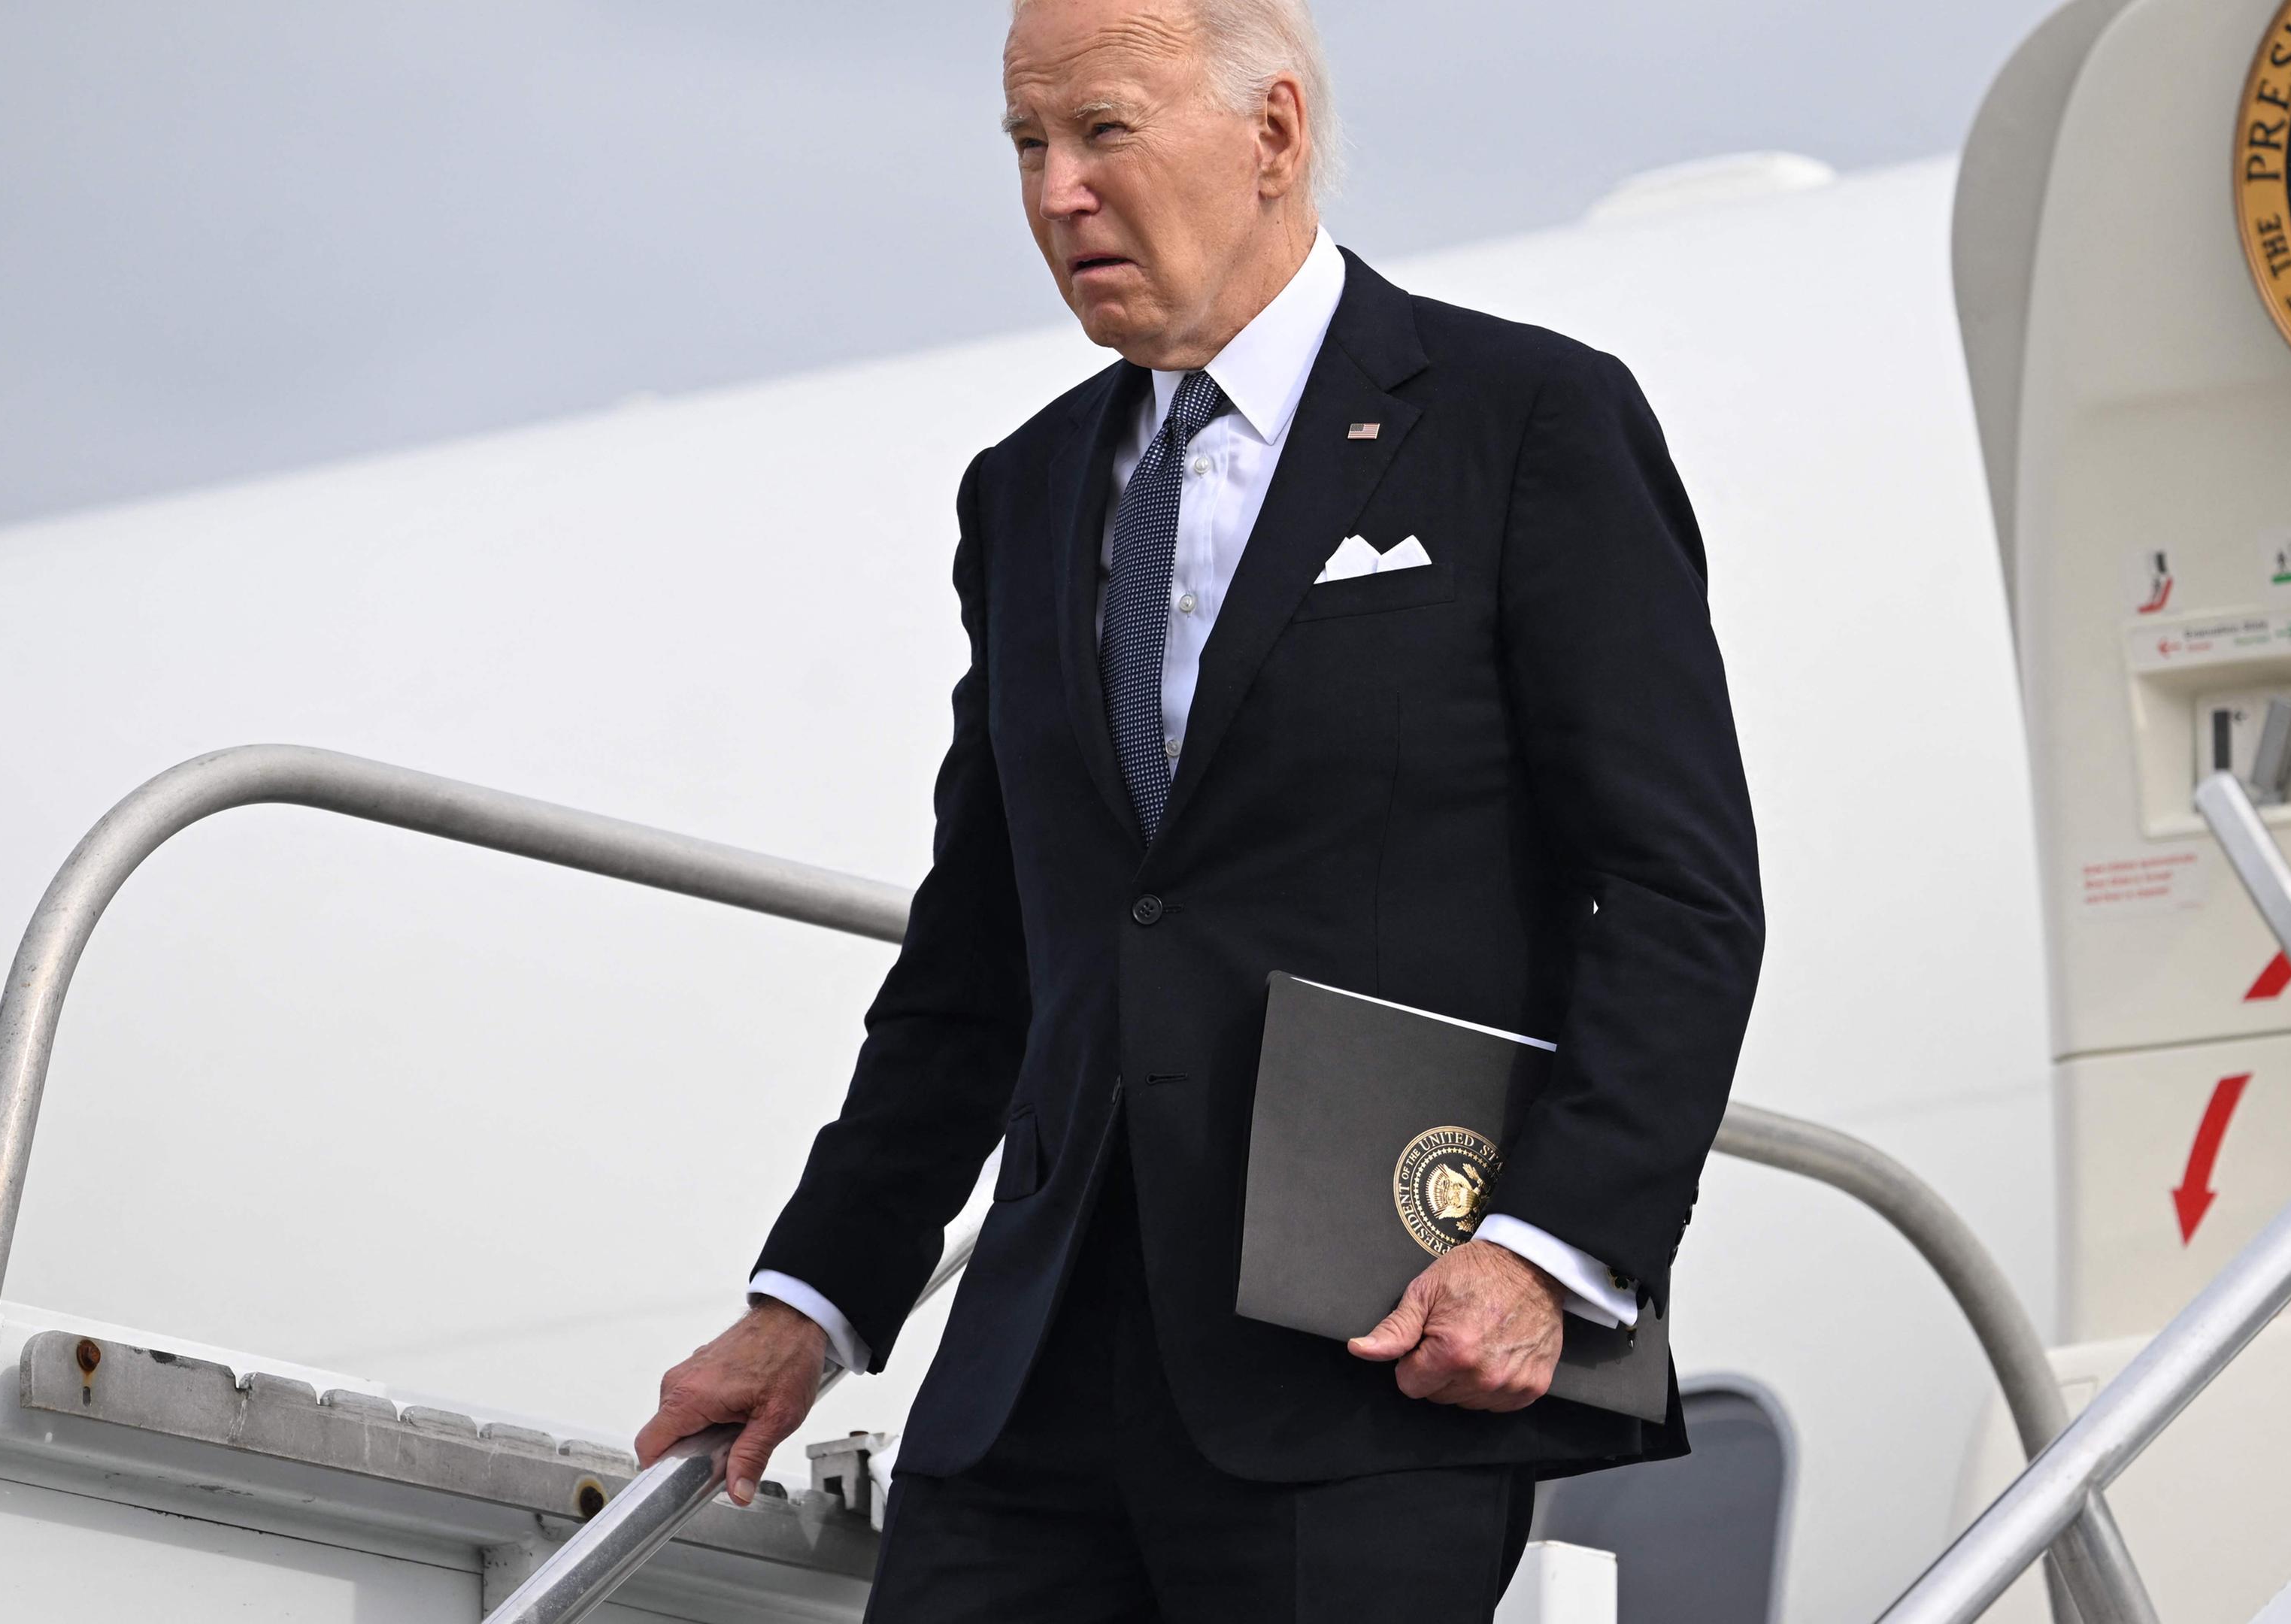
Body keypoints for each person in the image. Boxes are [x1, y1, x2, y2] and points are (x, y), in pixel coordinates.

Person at [634, 0, 1763, 1615]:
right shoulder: (1023, 493)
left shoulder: (1524, 425)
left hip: (1366, 1360)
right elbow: (982, 954)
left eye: (1103, 132)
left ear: (1275, 135)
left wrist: (1547, 1250)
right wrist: (810, 1297)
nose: (1056, 195)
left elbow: (1675, 894)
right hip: (1032, 1380)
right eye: (1028, 146)